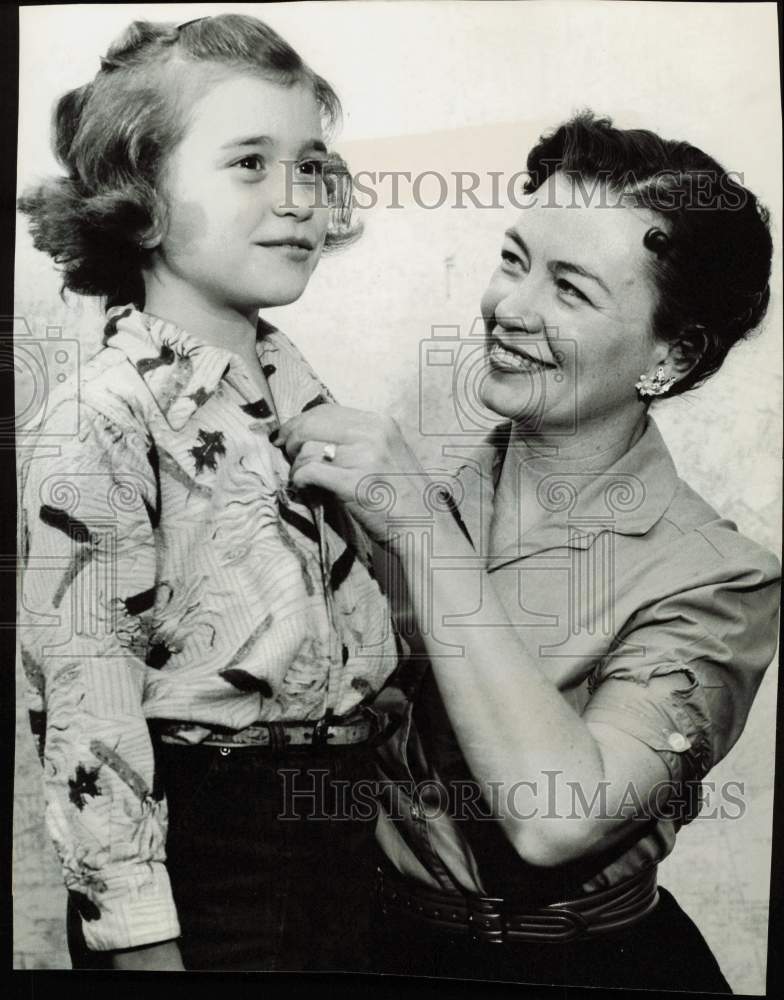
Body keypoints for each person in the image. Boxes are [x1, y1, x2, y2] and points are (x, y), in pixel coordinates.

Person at [273, 112, 781, 992]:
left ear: (672, 353)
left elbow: (558, 819)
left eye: (571, 289)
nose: (510, 307)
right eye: (515, 259)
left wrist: (424, 534)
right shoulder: (397, 494)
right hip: (374, 949)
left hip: (591, 971)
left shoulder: (721, 579)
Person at [17, 14, 401, 972]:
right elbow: (87, 701)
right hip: (210, 858)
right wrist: (142, 935)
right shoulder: (102, 416)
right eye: (248, 164)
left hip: (348, 838)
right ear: (138, 196)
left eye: (311, 164)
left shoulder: (304, 394)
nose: (298, 198)